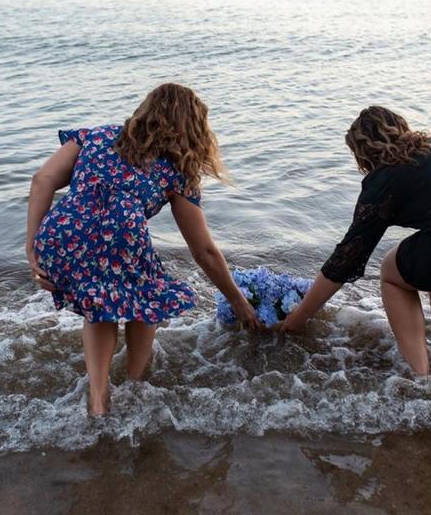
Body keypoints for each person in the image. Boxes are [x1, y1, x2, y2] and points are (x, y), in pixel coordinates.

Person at [26, 83, 259, 416]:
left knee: (98, 302)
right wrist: (237, 300)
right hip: (121, 240)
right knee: (146, 297)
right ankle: (136, 382)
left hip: (61, 238)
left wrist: (32, 245)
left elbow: (41, 180)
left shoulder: (94, 135)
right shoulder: (178, 171)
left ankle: (98, 397)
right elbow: (203, 250)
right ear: (192, 127)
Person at [279, 106, 431, 375]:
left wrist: (298, 317)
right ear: (401, 126)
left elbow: (346, 258)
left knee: (391, 270)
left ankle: (422, 375)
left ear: (363, 154)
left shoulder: (382, 182)